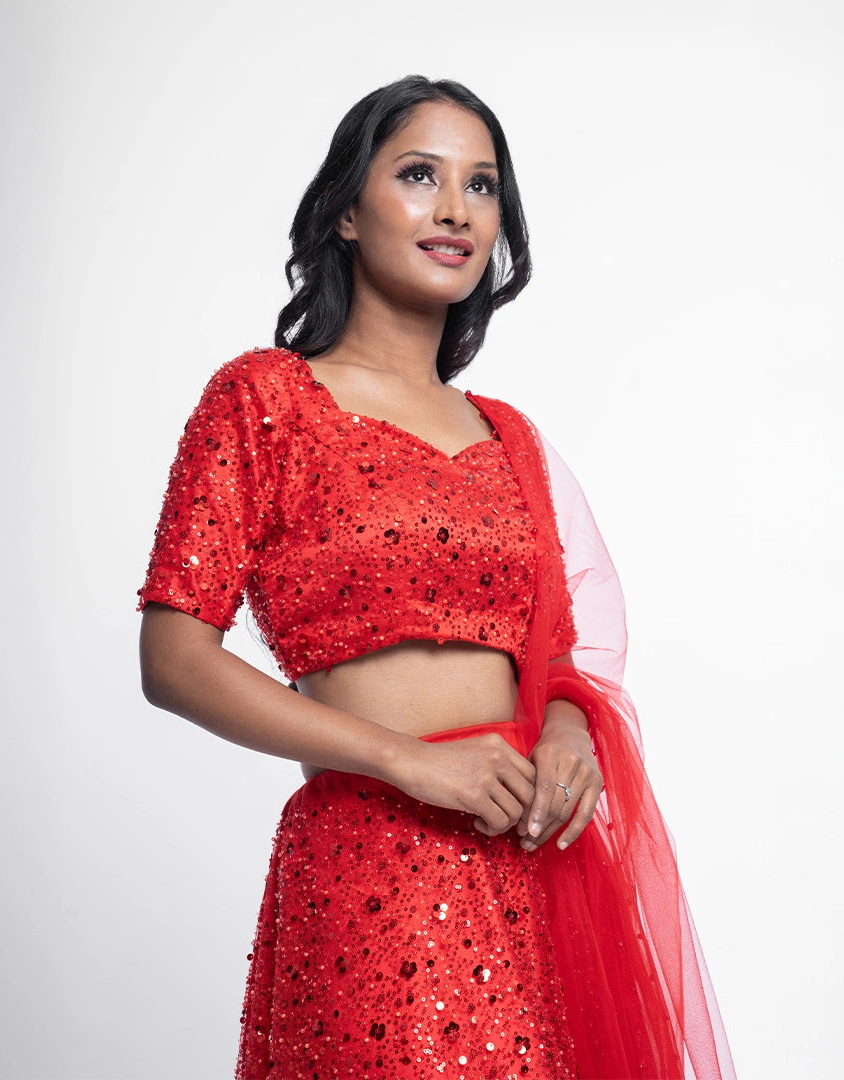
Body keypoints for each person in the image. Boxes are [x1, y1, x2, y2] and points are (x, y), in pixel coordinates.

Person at [137, 75, 734, 1079]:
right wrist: (409, 762)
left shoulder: (510, 438)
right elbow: (173, 658)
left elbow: (560, 651)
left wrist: (568, 730)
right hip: (370, 868)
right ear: (345, 211)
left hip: (538, 870)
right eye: (420, 175)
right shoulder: (265, 400)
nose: (456, 208)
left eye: (481, 185)